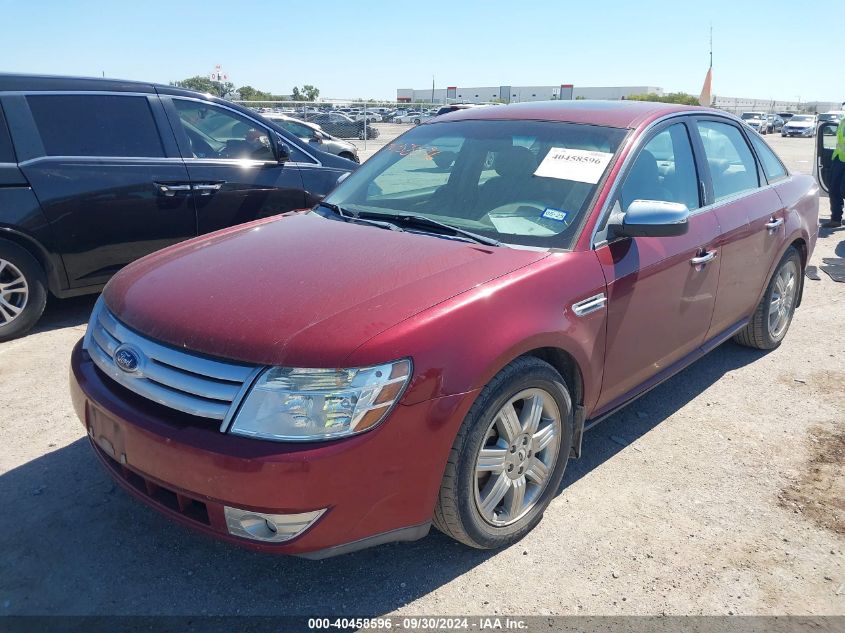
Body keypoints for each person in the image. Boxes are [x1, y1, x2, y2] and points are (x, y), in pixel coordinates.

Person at [821, 103, 845, 228]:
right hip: (839, 159)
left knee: (843, 189)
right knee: (834, 189)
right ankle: (836, 219)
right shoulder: (842, 121)